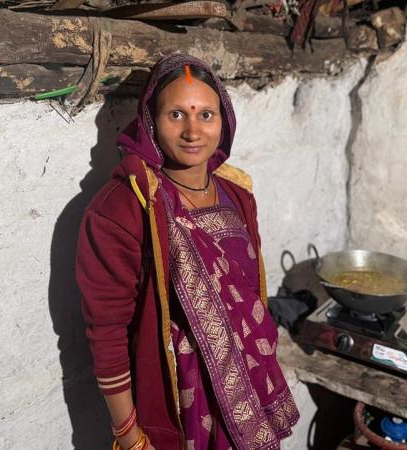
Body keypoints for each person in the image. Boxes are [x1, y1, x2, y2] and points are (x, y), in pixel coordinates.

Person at [76, 53, 299, 450]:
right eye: (176, 115)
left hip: (251, 398)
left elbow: (250, 299)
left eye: (206, 115)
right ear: (151, 121)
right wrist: (129, 435)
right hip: (178, 410)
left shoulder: (237, 194)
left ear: (224, 121)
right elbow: (107, 329)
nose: (193, 131)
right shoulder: (123, 208)